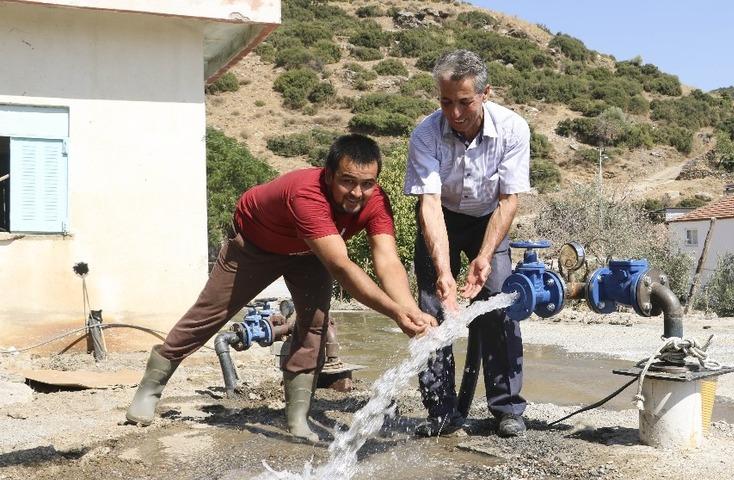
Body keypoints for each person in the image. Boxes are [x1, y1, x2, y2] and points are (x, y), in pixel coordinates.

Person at [126, 134, 437, 442]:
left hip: (311, 253)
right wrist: (395, 312)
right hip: (255, 245)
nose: (357, 192)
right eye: (347, 181)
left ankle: (298, 418)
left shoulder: (377, 201)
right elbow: (342, 267)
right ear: (328, 175)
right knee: (210, 314)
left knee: (314, 326)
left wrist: (408, 308)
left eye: (367, 183)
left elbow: (387, 260)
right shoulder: (306, 195)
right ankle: (150, 389)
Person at [404, 50, 531, 438]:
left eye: (464, 102)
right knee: (430, 310)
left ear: (485, 93)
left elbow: (509, 200)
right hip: (440, 217)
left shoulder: (513, 129)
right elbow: (428, 203)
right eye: (445, 102)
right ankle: (441, 411)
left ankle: (507, 409)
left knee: (500, 303)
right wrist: (443, 272)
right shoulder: (425, 134)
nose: (454, 113)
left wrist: (485, 256)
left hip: (489, 219)